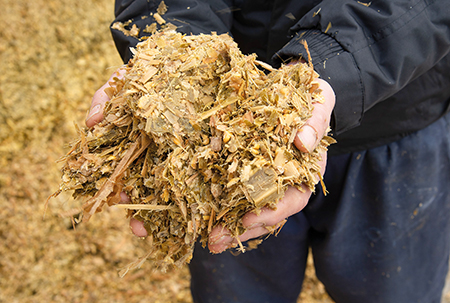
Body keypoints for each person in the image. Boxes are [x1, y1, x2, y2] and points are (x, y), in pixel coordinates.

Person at [86, 1, 450, 302]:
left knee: (395, 290)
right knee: (236, 284)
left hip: (397, 116)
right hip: (227, 147)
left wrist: (331, 65)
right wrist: (176, 54)